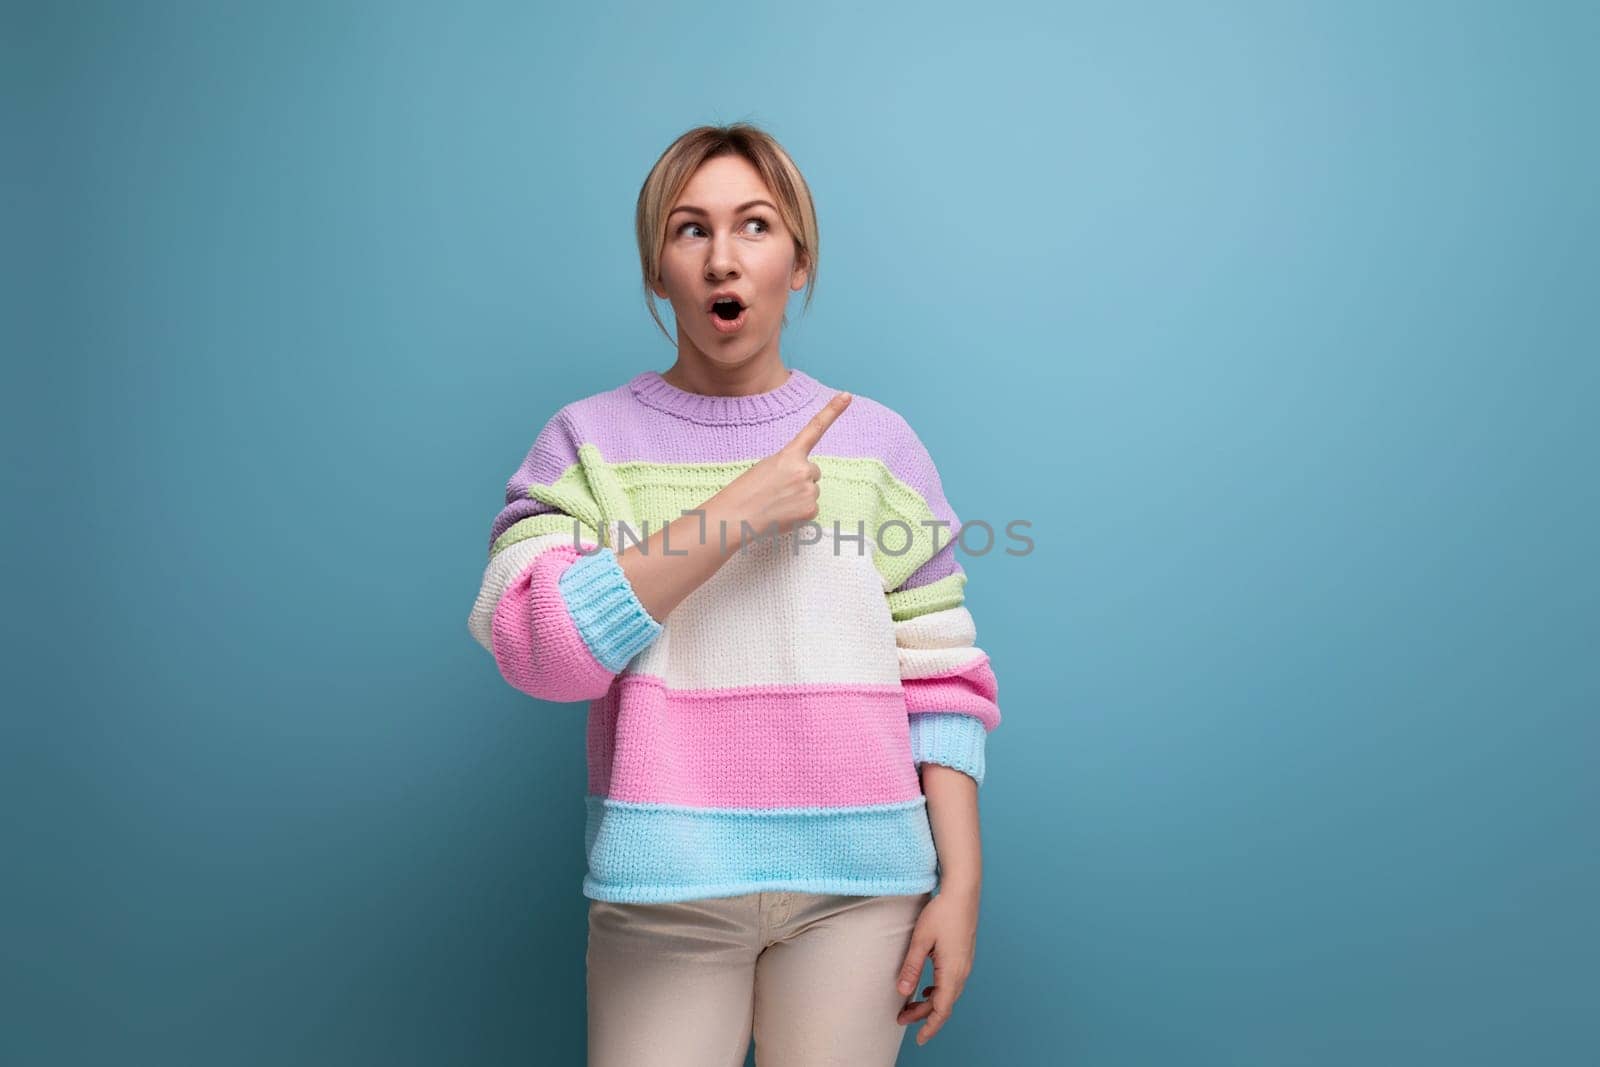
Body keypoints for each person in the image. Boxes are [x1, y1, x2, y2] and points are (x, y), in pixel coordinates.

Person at [466, 122, 1002, 1066]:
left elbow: (943, 677)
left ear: (799, 261)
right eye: (689, 230)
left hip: (861, 892)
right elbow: (537, 653)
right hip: (664, 889)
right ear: (657, 270)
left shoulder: (878, 445)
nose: (724, 259)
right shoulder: (583, 444)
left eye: (755, 226)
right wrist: (734, 515)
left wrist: (960, 884)